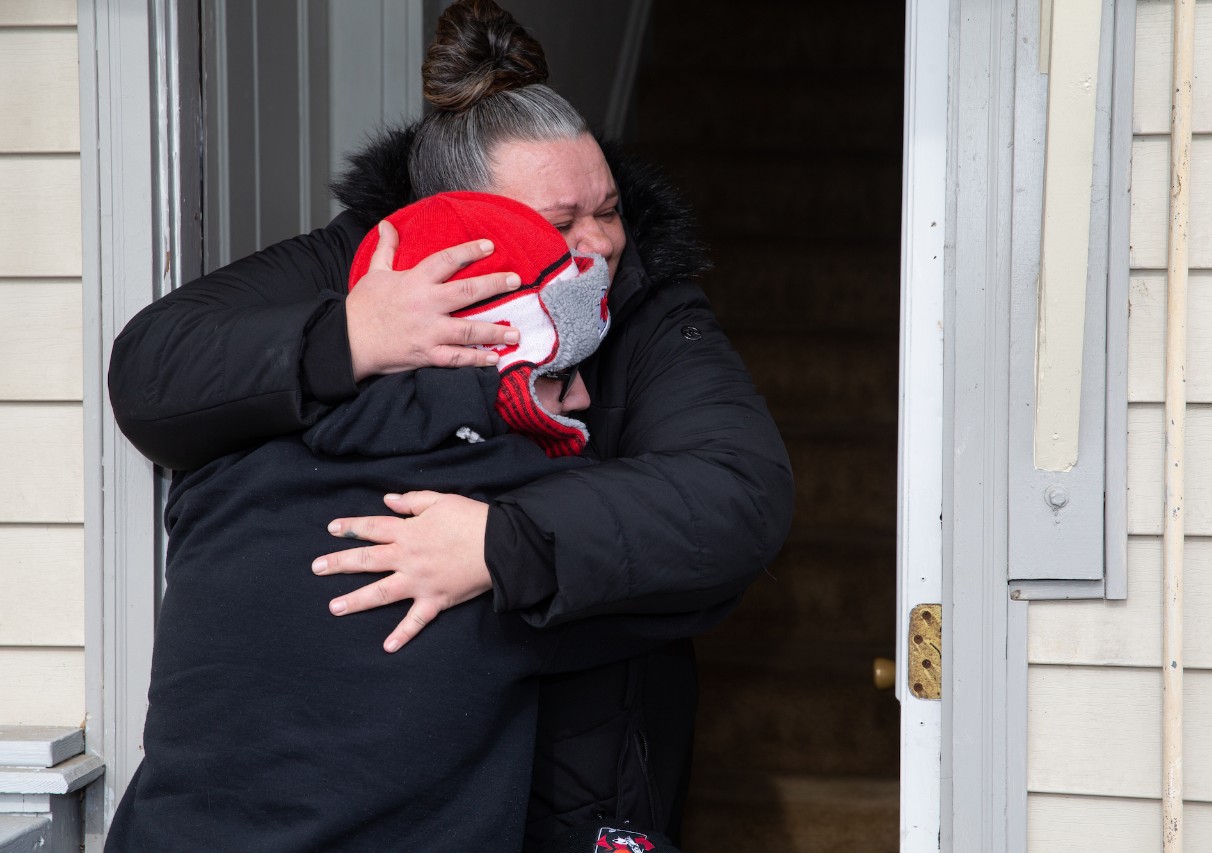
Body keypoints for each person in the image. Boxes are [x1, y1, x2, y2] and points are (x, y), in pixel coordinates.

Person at [106, 0, 793, 844]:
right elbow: (152, 369)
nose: (603, 244)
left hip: (573, 784)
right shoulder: (358, 263)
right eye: (560, 224)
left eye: (608, 208)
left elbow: (735, 498)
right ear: (462, 227)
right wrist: (352, 334)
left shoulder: (647, 306)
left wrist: (500, 544)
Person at [106, 191, 684, 852]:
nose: (583, 395)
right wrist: (507, 546)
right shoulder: (508, 500)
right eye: (559, 371)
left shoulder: (217, 466)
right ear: (493, 362)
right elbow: (699, 568)